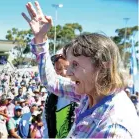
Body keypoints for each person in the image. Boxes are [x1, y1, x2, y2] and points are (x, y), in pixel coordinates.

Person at [22, 1, 139, 138]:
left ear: (102, 65)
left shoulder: (113, 129)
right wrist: (40, 38)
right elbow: (52, 82)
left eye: (75, 65)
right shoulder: (90, 94)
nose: (69, 73)